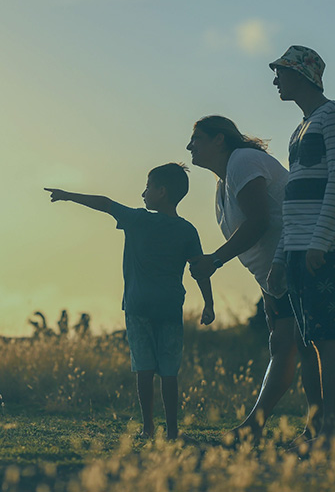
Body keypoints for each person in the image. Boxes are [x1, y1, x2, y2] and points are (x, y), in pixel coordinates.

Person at [45, 163, 215, 440]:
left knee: (144, 368)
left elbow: (104, 203)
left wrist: (68, 195)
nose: (143, 193)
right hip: (171, 307)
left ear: (162, 191)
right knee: (169, 371)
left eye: (148, 187)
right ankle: (172, 431)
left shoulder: (138, 219)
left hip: (138, 307)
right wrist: (209, 304)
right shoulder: (187, 230)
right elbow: (199, 269)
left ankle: (148, 428)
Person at [187, 116, 322, 441]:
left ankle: (317, 428)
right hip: (276, 275)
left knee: (306, 346)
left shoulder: (243, 162)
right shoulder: (225, 181)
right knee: (284, 345)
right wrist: (266, 288)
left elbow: (260, 221)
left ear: (219, 140)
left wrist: (216, 259)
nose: (191, 146)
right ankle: (264, 426)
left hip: (297, 260)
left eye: (198, 138)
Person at [266, 45, 335, 443]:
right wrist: (279, 257)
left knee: (327, 340)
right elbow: (294, 200)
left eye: (281, 72)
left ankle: (333, 433)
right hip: (297, 251)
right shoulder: (300, 129)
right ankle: (314, 428)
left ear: (303, 76)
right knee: (307, 345)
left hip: (324, 251)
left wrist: (320, 242)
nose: (275, 80)